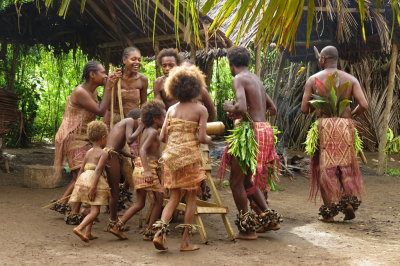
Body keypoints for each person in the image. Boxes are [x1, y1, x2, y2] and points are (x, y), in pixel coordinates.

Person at [218, 46, 282, 240]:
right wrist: (245, 112)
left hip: (251, 132)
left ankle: (248, 229)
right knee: (246, 180)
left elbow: (243, 106)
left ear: (230, 64)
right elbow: (272, 108)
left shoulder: (238, 78)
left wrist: (231, 107)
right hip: (265, 130)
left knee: (236, 181)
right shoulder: (256, 79)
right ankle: (269, 217)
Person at [301, 45, 368, 222]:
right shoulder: (350, 79)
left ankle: (329, 212)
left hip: (324, 126)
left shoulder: (313, 79)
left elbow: (304, 108)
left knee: (323, 168)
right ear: (336, 59)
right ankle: (347, 203)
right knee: (345, 167)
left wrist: (318, 109)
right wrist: (350, 115)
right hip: (345, 126)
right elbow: (364, 104)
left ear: (322, 59)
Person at [52, 61, 120, 224]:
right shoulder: (80, 92)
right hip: (72, 135)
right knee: (83, 174)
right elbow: (100, 110)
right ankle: (74, 212)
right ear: (92, 75)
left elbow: (103, 110)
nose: (105, 75)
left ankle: (65, 204)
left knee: (82, 173)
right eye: (102, 72)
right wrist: (109, 87)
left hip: (85, 136)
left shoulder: (94, 90)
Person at [152, 65, 211, 252]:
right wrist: (209, 138)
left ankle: (159, 233)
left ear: (174, 88)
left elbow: (162, 137)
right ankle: (184, 242)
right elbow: (202, 138)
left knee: (173, 198)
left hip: (170, 158)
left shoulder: (170, 110)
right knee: (191, 198)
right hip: (190, 159)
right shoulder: (200, 109)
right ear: (196, 87)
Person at [109, 100, 166, 241]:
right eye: (164, 117)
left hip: (139, 167)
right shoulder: (152, 132)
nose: (165, 120)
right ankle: (150, 231)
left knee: (140, 203)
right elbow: (142, 150)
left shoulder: (146, 130)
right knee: (159, 200)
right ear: (155, 118)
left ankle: (117, 226)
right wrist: (147, 171)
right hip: (147, 169)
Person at [69, 121, 110, 242]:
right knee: (95, 210)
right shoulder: (103, 153)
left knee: (90, 206)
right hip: (93, 181)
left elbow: (81, 169)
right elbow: (98, 170)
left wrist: (78, 184)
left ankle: (88, 232)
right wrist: (93, 187)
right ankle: (79, 228)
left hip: (83, 179)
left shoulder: (88, 152)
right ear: (103, 138)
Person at [102, 109, 141, 230]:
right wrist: (141, 128)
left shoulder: (123, 124)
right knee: (114, 191)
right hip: (110, 155)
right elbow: (129, 139)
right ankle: (113, 222)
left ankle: (113, 221)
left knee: (114, 191)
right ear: (137, 119)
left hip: (113, 154)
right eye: (142, 121)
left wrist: (131, 156)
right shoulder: (129, 121)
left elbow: (118, 147)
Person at [153, 48, 216, 122]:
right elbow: (159, 109)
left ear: (178, 66)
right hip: (172, 124)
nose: (167, 68)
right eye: (164, 65)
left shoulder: (198, 88)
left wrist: (204, 126)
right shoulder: (159, 83)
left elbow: (211, 111)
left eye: (171, 65)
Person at [104, 47, 148, 127]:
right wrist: (110, 85)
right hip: (115, 122)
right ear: (124, 60)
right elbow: (108, 105)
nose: (137, 62)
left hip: (133, 122)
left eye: (139, 60)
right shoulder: (115, 78)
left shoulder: (142, 79)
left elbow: (143, 104)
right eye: (133, 59)